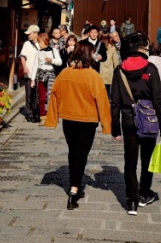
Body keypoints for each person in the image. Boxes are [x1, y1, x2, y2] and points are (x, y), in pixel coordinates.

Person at [45, 40, 112, 210]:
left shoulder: (65, 73)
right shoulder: (94, 76)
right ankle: (74, 189)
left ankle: (74, 185)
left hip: (68, 119)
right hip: (87, 120)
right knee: (81, 153)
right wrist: (107, 125)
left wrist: (52, 119)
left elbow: (54, 94)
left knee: (73, 151)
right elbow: (103, 102)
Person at [110, 35, 161, 215]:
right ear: (141, 49)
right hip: (149, 121)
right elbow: (158, 99)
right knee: (147, 160)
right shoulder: (150, 68)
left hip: (128, 120)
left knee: (130, 161)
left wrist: (115, 127)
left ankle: (132, 201)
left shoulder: (119, 70)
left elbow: (115, 102)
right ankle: (144, 193)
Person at [18, 24, 42, 122]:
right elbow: (22, 57)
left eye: (30, 33)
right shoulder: (27, 44)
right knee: (29, 94)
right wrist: (24, 68)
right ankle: (29, 113)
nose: (28, 35)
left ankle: (37, 112)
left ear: (36, 33)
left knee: (38, 94)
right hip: (29, 73)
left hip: (39, 74)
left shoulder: (41, 43)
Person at [34, 31, 61, 117]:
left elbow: (59, 62)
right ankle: (42, 116)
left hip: (51, 74)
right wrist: (32, 79)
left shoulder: (54, 50)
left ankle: (51, 115)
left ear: (45, 41)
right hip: (41, 74)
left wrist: (52, 60)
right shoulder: (38, 52)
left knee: (51, 95)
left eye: (40, 42)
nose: (39, 44)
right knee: (41, 97)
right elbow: (35, 65)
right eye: (38, 42)